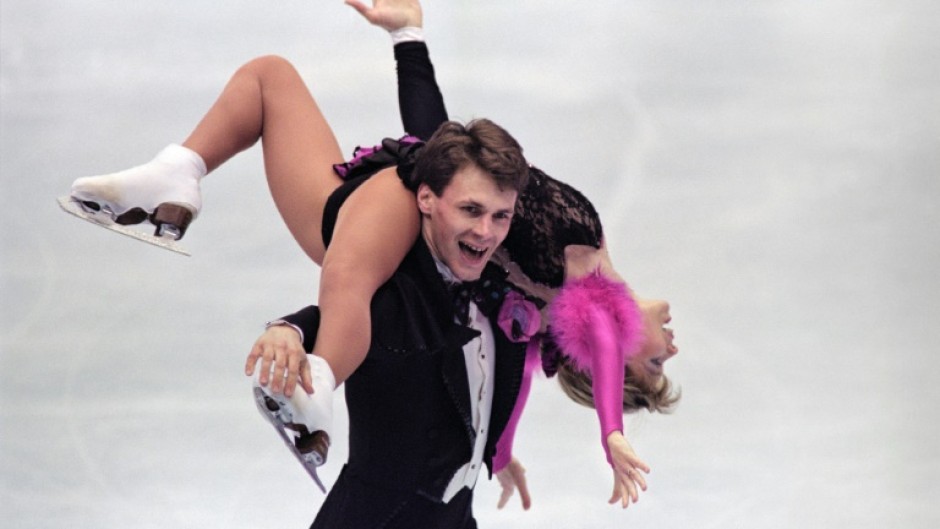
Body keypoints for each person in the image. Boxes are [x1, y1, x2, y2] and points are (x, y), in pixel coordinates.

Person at [64, 0, 678, 509]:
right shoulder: (554, 268)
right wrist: (408, 35)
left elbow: (589, 346)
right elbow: (441, 143)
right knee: (268, 78)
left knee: (358, 268)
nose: (671, 345)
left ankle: (319, 386)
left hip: (376, 216)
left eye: (654, 364)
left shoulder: (573, 274)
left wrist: (606, 435)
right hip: (366, 208)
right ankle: (178, 172)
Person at [262, 117, 532, 527]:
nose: (485, 231)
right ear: (426, 198)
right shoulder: (399, 287)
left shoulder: (495, 289)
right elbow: (338, 316)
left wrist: (498, 447)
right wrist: (287, 331)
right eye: (471, 210)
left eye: (501, 216)